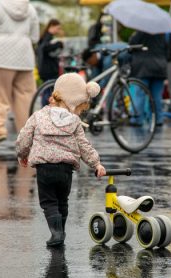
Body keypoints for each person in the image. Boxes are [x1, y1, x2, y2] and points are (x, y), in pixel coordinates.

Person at [16, 73, 106, 247]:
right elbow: (83, 146)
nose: (79, 111)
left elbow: (24, 137)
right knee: (62, 201)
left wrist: (22, 154)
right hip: (65, 170)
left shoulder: (39, 115)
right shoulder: (75, 121)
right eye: (80, 107)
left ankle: (56, 233)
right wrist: (96, 164)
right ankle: (61, 231)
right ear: (74, 103)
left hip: (44, 168)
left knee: (49, 202)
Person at [0, 0, 40, 148]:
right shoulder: (30, 9)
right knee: (26, 98)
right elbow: (35, 37)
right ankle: (27, 135)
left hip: (1, 57)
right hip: (25, 57)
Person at [129, 31, 168, 126]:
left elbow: (131, 45)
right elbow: (167, 49)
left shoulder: (141, 31)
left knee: (140, 95)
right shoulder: (162, 33)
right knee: (156, 96)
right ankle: (158, 119)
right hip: (159, 66)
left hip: (143, 67)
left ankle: (137, 120)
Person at [36, 19, 64, 107]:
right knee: (49, 93)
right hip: (49, 69)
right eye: (57, 28)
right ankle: (46, 111)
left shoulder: (43, 37)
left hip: (43, 68)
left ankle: (44, 110)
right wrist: (59, 44)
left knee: (46, 91)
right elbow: (46, 48)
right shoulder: (48, 37)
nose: (58, 30)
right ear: (51, 26)